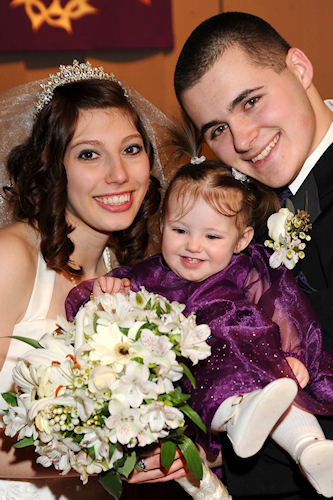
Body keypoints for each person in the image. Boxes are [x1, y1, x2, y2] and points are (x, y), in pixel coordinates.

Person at [66, 160, 333, 499]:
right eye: (180, 231)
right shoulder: (149, 277)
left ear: (241, 239)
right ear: (162, 225)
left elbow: (282, 303)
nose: (193, 245)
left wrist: (293, 354)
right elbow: (103, 313)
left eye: (211, 236)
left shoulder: (248, 265)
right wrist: (105, 293)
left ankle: (312, 451)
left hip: (260, 361)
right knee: (217, 370)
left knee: (284, 389)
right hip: (200, 376)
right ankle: (238, 417)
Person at [0, 60, 180, 500]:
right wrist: (107, 456)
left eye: (132, 149)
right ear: (52, 166)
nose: (118, 174)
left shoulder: (130, 274)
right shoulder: (14, 257)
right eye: (88, 153)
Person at [173, 11, 333, 499]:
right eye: (216, 129)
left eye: (250, 101)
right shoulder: (234, 215)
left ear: (300, 68)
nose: (241, 140)